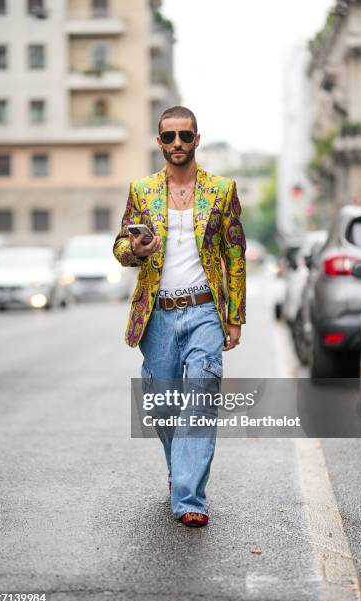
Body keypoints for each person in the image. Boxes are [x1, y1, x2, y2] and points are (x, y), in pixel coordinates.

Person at [113, 106, 246, 527]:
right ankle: (179, 472)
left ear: (196, 139)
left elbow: (235, 254)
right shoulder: (142, 190)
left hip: (204, 308)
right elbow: (119, 246)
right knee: (164, 408)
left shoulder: (222, 190)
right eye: (168, 137)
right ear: (159, 142)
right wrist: (135, 251)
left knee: (201, 399)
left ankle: (190, 499)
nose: (177, 145)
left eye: (184, 137)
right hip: (157, 315)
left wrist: (234, 315)